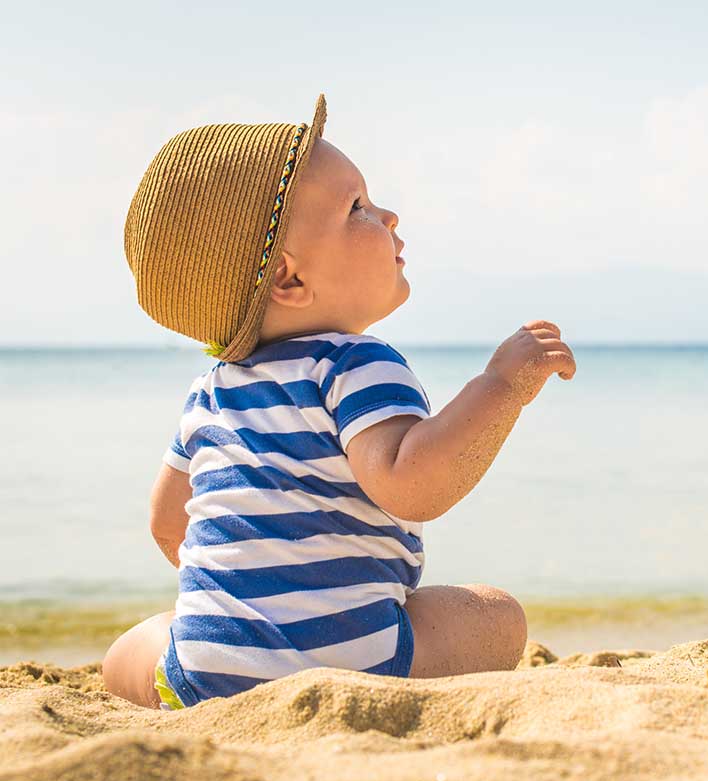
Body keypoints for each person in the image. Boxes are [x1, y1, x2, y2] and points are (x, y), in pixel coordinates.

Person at [103, 93, 576, 710]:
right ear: (289, 280)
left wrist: (255, 598)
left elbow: (170, 525)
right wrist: (501, 388)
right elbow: (413, 483)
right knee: (498, 616)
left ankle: (183, 670)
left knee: (130, 652)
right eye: (358, 207)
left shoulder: (211, 390)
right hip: (359, 662)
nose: (390, 216)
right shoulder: (356, 363)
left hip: (208, 674)